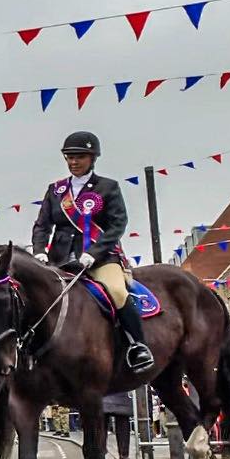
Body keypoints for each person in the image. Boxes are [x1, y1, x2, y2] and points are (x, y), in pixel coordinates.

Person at [31, 131, 153, 373]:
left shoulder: (108, 187)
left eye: (79, 157)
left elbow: (118, 224)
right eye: (69, 157)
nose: (73, 162)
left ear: (92, 158)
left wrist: (94, 252)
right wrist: (39, 252)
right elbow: (42, 225)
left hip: (101, 258)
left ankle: (137, 346)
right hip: (60, 259)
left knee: (117, 291)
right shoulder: (56, 191)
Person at [103, 390, 136, 459]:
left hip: (102, 395)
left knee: (101, 426)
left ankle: (101, 451)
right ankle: (124, 454)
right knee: (123, 426)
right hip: (122, 395)